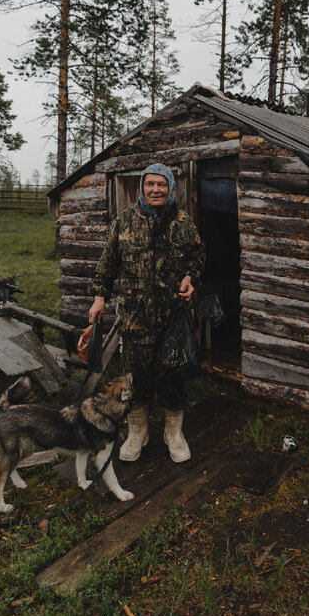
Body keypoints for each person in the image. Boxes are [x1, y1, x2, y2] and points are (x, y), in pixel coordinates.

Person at [89, 163, 205, 462]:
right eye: (150, 184)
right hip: (135, 316)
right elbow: (108, 264)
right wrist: (99, 297)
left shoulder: (183, 223)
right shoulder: (124, 222)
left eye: (161, 185)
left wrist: (191, 278)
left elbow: (198, 257)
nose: (156, 190)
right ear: (141, 188)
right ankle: (137, 432)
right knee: (136, 376)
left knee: (173, 374)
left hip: (172, 317)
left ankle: (173, 433)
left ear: (171, 189)